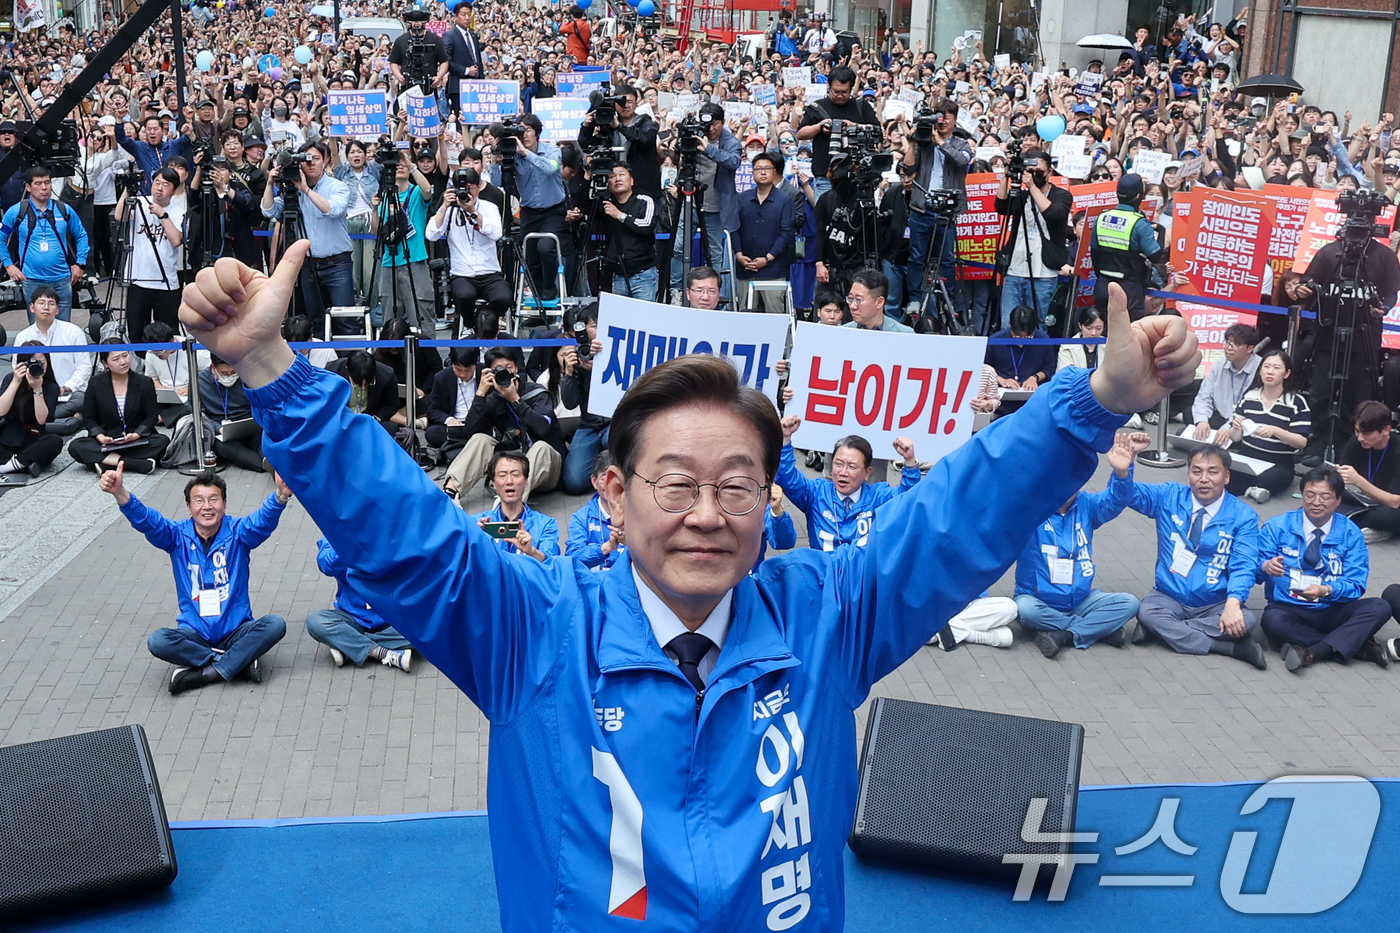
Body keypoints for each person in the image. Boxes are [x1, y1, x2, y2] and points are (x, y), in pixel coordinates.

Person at [179, 223, 1197, 931]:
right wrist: (268, 365)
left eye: (736, 486)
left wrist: (1097, 396)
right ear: (612, 497)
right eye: (676, 484)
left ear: (770, 502)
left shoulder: (824, 617)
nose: (707, 513)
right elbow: (401, 529)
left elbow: (957, 516)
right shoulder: (533, 631)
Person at [99, 465, 289, 693]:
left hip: (237, 630)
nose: (206, 507)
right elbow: (147, 521)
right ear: (189, 507)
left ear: (224, 504)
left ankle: (205, 673)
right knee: (158, 641)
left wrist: (280, 495)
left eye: (213, 499)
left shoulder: (238, 532)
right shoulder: (176, 535)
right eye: (198, 501)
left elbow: (262, 521)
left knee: (275, 625)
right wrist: (120, 493)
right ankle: (239, 662)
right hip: (194, 635)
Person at [1109, 437, 1267, 669]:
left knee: (1247, 620)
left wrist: (1233, 604)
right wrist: (1123, 472)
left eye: (1213, 472)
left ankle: (1162, 631)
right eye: (1197, 471)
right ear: (1188, 475)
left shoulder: (1243, 516)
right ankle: (1228, 647)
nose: (1204, 479)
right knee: (1147, 611)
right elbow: (1128, 495)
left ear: (1227, 477)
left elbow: (1244, 564)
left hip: (1214, 601)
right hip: (1168, 595)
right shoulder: (1169, 496)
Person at [1014, 432, 1141, 658]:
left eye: (1073, 479)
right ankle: (1095, 630)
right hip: (1038, 601)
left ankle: (1063, 634)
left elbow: (1118, 499)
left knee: (1129, 603)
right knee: (1024, 610)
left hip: (1082, 600)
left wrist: (1122, 472)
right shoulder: (1030, 508)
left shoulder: (1088, 505)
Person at [1258, 467, 1392, 672]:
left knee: (1380, 607)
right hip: (1289, 606)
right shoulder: (1277, 526)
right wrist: (1265, 566)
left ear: (1338, 500)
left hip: (1333, 607)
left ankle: (1313, 651)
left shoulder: (1351, 533)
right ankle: (1358, 646)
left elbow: (1356, 584)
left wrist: (1327, 590)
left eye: (1325, 496)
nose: (1316, 502)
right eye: (1310, 495)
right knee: (1271, 621)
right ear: (1301, 495)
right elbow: (1252, 568)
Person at [1285, 229, 1400, 461]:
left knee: (1357, 396)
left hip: (1364, 338)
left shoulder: (1384, 256)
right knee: (1320, 393)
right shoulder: (1329, 252)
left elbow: (1391, 292)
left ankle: (1350, 449)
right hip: (1327, 335)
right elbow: (1309, 280)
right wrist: (1304, 287)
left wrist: (1383, 309)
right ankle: (1317, 445)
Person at [441, 349, 564, 501]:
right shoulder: (494, 399)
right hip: (512, 466)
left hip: (546, 469)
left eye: (509, 367)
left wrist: (515, 400)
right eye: (498, 369)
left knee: (541, 447)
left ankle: (510, 503)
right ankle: (449, 493)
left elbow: (543, 428)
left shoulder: (537, 394)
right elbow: (470, 431)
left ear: (516, 368)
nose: (505, 372)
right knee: (481, 439)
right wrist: (480, 395)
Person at [775, 423, 921, 550]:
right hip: (823, 578)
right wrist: (785, 440)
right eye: (838, 464)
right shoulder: (817, 493)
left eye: (852, 466)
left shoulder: (878, 497)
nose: (843, 472)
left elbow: (907, 500)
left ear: (867, 473)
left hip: (862, 580)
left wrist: (910, 462)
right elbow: (788, 478)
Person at [261, 140, 355, 333]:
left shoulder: (337, 186)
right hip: (309, 264)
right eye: (306, 159)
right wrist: (270, 183)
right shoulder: (292, 189)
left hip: (337, 264)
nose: (311, 163)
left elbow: (332, 209)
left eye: (316, 159)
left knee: (345, 321)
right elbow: (269, 210)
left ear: (326, 161)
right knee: (315, 322)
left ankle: (347, 361)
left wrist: (306, 190)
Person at [901, 99, 972, 313]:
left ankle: (947, 299)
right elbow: (908, 167)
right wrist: (913, 141)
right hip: (922, 208)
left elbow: (961, 161)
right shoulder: (924, 142)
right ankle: (914, 298)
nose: (941, 123)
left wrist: (940, 142)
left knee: (947, 259)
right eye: (938, 119)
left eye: (946, 119)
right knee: (916, 257)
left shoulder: (962, 143)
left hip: (947, 211)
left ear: (954, 121)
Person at [426, 167, 511, 339]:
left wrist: (473, 212)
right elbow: (431, 235)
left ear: (478, 188)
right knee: (465, 296)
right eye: (461, 189)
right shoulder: (450, 210)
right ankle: (470, 325)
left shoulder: (488, 207)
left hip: (489, 271)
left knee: (504, 297)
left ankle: (487, 324)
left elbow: (496, 233)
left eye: (470, 188)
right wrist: (443, 205)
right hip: (462, 273)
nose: (466, 192)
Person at [306, 538, 413, 672]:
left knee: (427, 625)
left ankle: (348, 647)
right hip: (353, 617)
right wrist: (346, 541)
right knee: (316, 621)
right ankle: (382, 652)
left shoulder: (393, 535)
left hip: (392, 617)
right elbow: (327, 565)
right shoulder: (338, 533)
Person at [2, 165, 89, 323]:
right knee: (38, 329)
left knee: (63, 328)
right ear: (28, 187)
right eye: (38, 183)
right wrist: (9, 265)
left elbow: (81, 235)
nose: (44, 188)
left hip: (62, 279)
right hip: (32, 280)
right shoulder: (17, 211)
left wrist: (80, 263)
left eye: (47, 182)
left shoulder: (64, 209)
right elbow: (1, 237)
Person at [995, 149, 1072, 323]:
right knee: (1009, 323)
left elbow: (1053, 213)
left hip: (1043, 273)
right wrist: (1007, 176)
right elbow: (1001, 206)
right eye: (1030, 172)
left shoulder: (1062, 195)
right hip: (1015, 268)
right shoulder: (1021, 195)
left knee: (1038, 325)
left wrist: (1032, 186)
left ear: (1049, 173)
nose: (1033, 176)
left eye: (1039, 172)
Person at [67, 342, 169, 474]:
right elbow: (89, 418)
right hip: (107, 440)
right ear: (105, 363)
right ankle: (135, 464)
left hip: (136, 439)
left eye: (125, 356)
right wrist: (100, 436)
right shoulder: (96, 383)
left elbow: (151, 416)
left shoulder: (144, 382)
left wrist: (137, 434)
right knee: (76, 446)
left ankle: (108, 463)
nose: (123, 362)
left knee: (163, 441)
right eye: (116, 359)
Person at [1223, 349, 1310, 503]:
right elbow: (1235, 438)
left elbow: (1301, 442)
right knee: (1221, 466)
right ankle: (1252, 490)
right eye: (1266, 366)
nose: (1270, 372)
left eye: (1277, 368)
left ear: (1286, 373)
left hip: (1279, 461)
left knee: (1275, 477)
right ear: (1260, 370)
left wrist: (1276, 431)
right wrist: (1236, 427)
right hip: (1248, 456)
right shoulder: (1250, 396)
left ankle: (1250, 487)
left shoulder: (1296, 402)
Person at [508, 113, 572, 305]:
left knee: (545, 247)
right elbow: (498, 181)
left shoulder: (552, 151)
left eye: (527, 130)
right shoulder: (513, 155)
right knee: (531, 255)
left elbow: (551, 169)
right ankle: (536, 295)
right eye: (520, 131)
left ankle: (549, 288)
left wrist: (526, 154)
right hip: (529, 211)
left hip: (553, 209)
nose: (524, 135)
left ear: (537, 132)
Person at [116, 166, 185, 341]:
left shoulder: (178, 212)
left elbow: (176, 240)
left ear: (174, 189)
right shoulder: (139, 202)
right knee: (136, 331)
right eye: (157, 183)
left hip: (166, 282)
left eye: (165, 185)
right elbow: (119, 216)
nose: (159, 188)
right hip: (138, 279)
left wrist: (163, 216)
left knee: (168, 332)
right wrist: (128, 189)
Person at [371, 148, 436, 332]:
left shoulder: (415, 193)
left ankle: (426, 354)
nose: (399, 167)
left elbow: (427, 190)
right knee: (389, 315)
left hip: (414, 258)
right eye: (395, 165)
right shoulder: (384, 196)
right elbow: (377, 232)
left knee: (421, 311)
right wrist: (374, 209)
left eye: (402, 165)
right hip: (388, 260)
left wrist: (411, 164)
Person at [11, 285, 91, 434]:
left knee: (82, 399)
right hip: (36, 396)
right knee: (15, 401)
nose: (46, 307)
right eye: (41, 303)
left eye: (51, 303)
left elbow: (84, 367)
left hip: (67, 397)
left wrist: (65, 388)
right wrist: (36, 388)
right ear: (32, 307)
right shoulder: (23, 337)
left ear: (58, 309)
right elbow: (17, 368)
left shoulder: (73, 332)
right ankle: (64, 422)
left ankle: (38, 422)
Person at [1091, 173, 1169, 320]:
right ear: (1139, 196)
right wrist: (1161, 230)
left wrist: (1102, 276)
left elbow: (1094, 253)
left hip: (1103, 285)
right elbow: (1155, 256)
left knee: (1103, 333)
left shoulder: (1102, 217)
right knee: (1131, 334)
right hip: (1129, 288)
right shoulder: (1140, 223)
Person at [796, 66, 879, 196]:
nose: (840, 95)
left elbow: (877, 131)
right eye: (836, 91)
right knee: (825, 214)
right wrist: (819, 127)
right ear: (829, 87)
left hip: (857, 174)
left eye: (844, 92)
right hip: (825, 175)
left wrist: (853, 126)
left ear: (851, 89)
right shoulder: (817, 107)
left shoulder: (861, 105)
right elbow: (800, 134)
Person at [688, 103, 742, 294]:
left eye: (715, 124)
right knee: (679, 249)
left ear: (722, 122)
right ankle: (680, 291)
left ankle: (714, 294)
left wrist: (707, 149)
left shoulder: (731, 142)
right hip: (689, 203)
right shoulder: (694, 134)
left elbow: (733, 162)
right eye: (707, 124)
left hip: (715, 207)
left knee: (715, 254)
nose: (710, 128)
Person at [471, 450, 559, 562]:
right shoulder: (474, 523)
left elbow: (552, 565)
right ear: (494, 484)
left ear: (526, 481)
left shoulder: (546, 524)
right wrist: (473, 540)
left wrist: (531, 552)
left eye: (515, 475)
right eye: (502, 475)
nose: (509, 481)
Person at [734, 152, 795, 313]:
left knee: (774, 317)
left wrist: (768, 258)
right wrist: (739, 254)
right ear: (752, 172)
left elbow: (787, 233)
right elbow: (734, 228)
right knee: (745, 318)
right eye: (758, 169)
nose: (762, 172)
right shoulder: (742, 199)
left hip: (773, 270)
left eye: (767, 168)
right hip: (745, 269)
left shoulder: (785, 200)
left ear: (774, 171)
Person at [558, 306, 610, 495]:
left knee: (612, 438)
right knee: (574, 482)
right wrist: (569, 373)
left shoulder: (619, 351)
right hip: (589, 424)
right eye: (594, 326)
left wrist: (601, 367)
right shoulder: (579, 353)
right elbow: (570, 403)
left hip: (616, 421)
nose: (598, 330)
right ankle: (598, 461)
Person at [1335, 400, 1400, 544]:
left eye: (1367, 433)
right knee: (1316, 487)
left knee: (1385, 517)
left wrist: (1358, 480)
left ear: (1386, 430)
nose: (1360, 438)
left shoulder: (1397, 449)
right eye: (1357, 431)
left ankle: (1378, 529)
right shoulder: (1356, 442)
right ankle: (1365, 527)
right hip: (1366, 502)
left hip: (1391, 507)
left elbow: (1395, 502)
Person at [0, 346, 63, 477]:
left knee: (55, 441)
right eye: (33, 362)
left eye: (42, 363)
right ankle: (26, 464)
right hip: (6, 438)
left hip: (33, 438)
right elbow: (1, 411)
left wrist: (37, 388)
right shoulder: (10, 379)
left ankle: (12, 466)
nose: (39, 366)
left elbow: (41, 420)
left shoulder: (51, 386)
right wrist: (16, 381)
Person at [1191, 323, 1260, 440]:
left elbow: (1255, 410)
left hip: (1244, 422)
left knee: (1249, 430)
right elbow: (1204, 396)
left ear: (1250, 348)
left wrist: (1229, 427)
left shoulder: (1260, 368)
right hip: (1222, 416)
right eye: (1227, 342)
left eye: (1236, 344)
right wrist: (1202, 421)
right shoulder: (1219, 365)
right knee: (1192, 414)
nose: (1229, 348)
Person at [601, 163, 659, 301]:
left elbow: (646, 226)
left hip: (643, 275)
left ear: (632, 180)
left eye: (621, 174)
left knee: (644, 319)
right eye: (612, 176)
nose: (617, 179)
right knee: (619, 321)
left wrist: (619, 215)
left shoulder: (644, 201)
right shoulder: (606, 204)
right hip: (617, 275)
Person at [986, 305, 1056, 414]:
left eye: (1028, 337)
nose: (1023, 341)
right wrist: (1001, 380)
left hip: (1032, 398)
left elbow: (1049, 368)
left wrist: (1035, 377)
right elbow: (985, 368)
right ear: (1010, 325)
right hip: (1001, 400)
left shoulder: (1043, 340)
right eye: (1017, 336)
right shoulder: (996, 340)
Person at [201, 355, 265, 472]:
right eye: (224, 373)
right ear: (213, 368)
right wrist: (217, 428)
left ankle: (269, 460)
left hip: (248, 425)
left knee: (262, 442)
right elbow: (197, 414)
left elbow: (260, 404)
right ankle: (263, 465)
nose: (229, 376)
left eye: (233, 372)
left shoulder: (247, 376)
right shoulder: (200, 382)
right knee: (229, 449)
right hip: (221, 433)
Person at [567, 450, 624, 570]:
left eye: (616, 477)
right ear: (594, 481)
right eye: (604, 478)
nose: (611, 484)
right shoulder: (581, 518)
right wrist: (606, 548)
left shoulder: (639, 512)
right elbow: (572, 561)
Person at [327, 351, 400, 429]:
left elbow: (392, 404)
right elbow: (325, 400)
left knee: (392, 428)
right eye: (357, 383)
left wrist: (376, 418)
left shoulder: (387, 375)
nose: (363, 387)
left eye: (368, 383)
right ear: (348, 370)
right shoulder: (332, 372)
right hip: (340, 422)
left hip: (370, 423)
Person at [389, 9, 449, 96]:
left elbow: (444, 61)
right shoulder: (401, 40)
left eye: (419, 20)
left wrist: (439, 77)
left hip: (429, 84)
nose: (416, 23)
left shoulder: (435, 39)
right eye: (414, 21)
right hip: (407, 84)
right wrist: (399, 76)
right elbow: (393, 61)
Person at [444, 0, 485, 116]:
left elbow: (478, 60)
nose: (467, 18)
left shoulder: (472, 35)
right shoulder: (449, 36)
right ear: (456, 16)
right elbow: (447, 61)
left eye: (469, 14)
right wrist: (466, 70)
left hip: (476, 85)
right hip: (459, 86)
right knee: (461, 120)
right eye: (463, 14)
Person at [841, 269, 911, 333]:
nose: (852, 306)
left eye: (858, 300)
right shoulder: (843, 333)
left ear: (879, 302)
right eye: (850, 298)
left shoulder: (905, 335)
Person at [1058, 307, 1105, 371]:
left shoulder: (1110, 346)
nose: (1094, 333)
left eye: (1098, 328)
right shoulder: (1067, 346)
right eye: (1089, 328)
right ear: (1080, 325)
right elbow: (1064, 375)